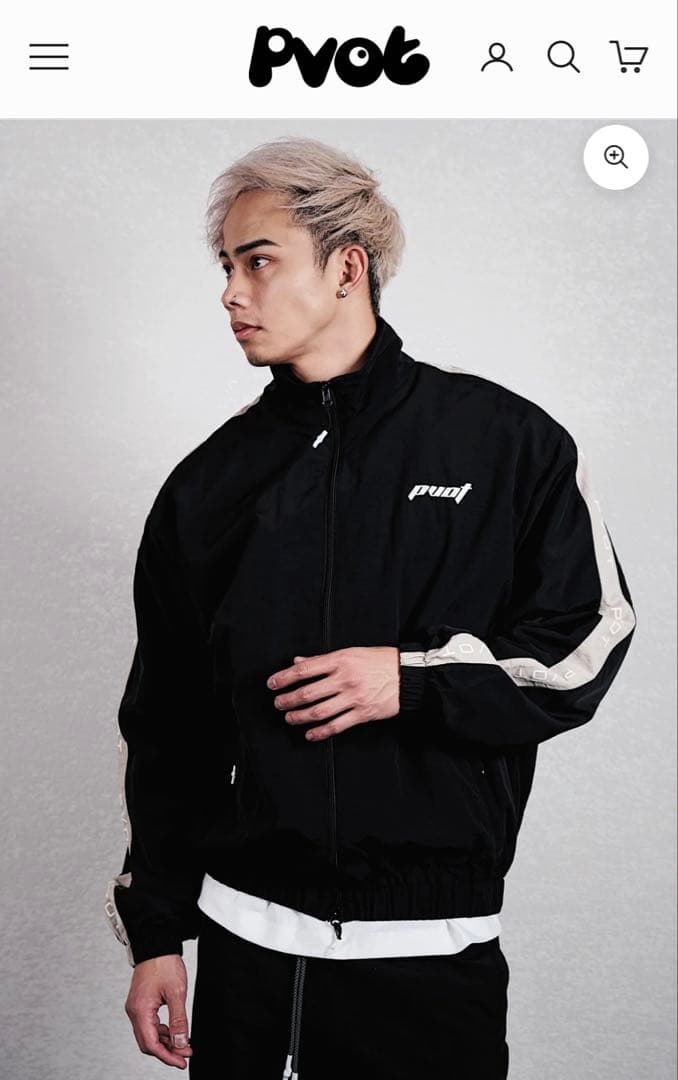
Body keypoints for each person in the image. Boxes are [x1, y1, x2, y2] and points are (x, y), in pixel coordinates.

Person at [104, 136, 637, 1079]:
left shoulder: (506, 444)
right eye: (225, 267)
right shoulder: (208, 485)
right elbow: (168, 725)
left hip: (431, 953)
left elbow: (587, 643)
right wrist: (157, 932)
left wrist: (412, 681)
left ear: (346, 267)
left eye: (258, 261)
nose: (231, 293)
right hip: (245, 950)